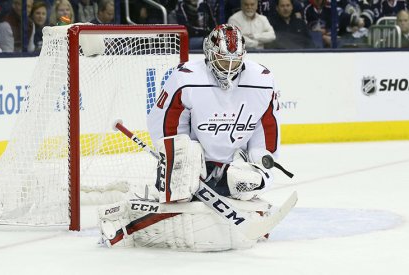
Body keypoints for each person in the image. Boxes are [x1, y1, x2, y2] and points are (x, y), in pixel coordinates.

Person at [98, 24, 283, 251]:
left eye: (235, 61)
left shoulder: (261, 79)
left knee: (248, 184)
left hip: (233, 163)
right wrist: (182, 162)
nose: (229, 68)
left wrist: (259, 165)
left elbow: (266, 127)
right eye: (223, 60)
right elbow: (165, 122)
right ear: (208, 54)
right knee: (181, 200)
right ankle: (124, 224)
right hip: (195, 161)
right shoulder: (186, 78)